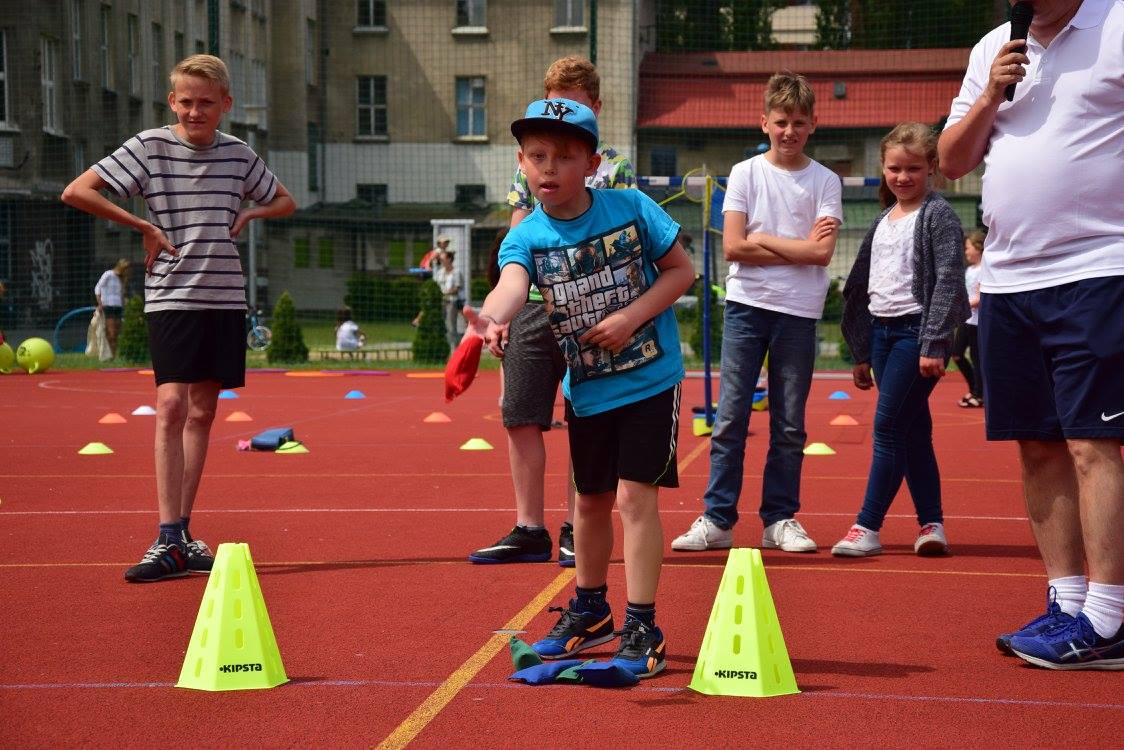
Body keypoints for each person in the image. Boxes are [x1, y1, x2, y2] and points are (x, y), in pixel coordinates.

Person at [469, 98, 694, 677]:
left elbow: (681, 270)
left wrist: (630, 318)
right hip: (589, 389)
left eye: (565, 157)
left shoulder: (631, 207)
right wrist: (491, 318)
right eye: (537, 156)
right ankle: (591, 609)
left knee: (633, 499)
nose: (549, 168)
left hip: (650, 379)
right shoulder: (526, 237)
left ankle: (641, 624)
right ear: (521, 163)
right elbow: (512, 285)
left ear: (592, 164)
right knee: (589, 502)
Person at [61, 54, 295, 582]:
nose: (195, 111)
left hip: (224, 297)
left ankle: (182, 534)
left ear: (225, 104)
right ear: (172, 101)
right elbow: (77, 191)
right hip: (171, 294)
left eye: (206, 102)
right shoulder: (149, 147)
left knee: (203, 412)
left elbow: (285, 201)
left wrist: (251, 212)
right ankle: (166, 535)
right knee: (170, 405)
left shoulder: (239, 154)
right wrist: (142, 226)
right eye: (186, 101)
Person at [939, 0, 1123, 669]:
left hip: (1099, 267)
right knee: (1037, 444)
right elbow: (951, 159)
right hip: (1010, 279)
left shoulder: (1117, 24)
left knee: (1093, 442)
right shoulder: (994, 44)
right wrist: (992, 91)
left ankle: (1109, 616)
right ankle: (1066, 603)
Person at [470, 56, 635, 567]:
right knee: (520, 411)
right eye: (553, 106)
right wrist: (501, 312)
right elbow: (518, 239)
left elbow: (626, 238)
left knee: (585, 414)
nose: (560, 120)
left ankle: (574, 524)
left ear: (596, 109)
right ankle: (529, 527)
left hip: (592, 305)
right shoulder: (531, 165)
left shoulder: (614, 168)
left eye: (575, 108)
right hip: (534, 305)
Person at [671, 72, 842, 554]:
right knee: (729, 419)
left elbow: (821, 254)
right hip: (747, 307)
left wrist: (761, 238)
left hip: (799, 312)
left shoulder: (826, 181)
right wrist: (793, 246)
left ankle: (779, 519)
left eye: (799, 123)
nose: (790, 131)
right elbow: (733, 246)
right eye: (781, 122)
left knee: (789, 424)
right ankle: (717, 519)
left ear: (813, 125)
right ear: (764, 122)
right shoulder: (745, 173)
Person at [831, 122, 969, 557]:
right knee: (913, 433)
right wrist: (860, 350)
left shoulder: (938, 215)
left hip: (915, 333)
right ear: (883, 169)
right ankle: (932, 524)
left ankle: (867, 526)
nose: (903, 177)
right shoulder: (882, 220)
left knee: (888, 428)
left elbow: (948, 278)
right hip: (882, 335)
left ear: (932, 169)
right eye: (894, 168)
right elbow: (862, 284)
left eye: (913, 168)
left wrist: (934, 341)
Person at [950, 230, 985, 408]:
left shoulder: (984, 270)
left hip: (978, 322)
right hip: (967, 319)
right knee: (956, 354)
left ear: (978, 248)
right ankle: (975, 389)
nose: (966, 252)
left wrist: (963, 305)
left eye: (968, 248)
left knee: (977, 358)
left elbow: (980, 299)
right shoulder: (969, 270)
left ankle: (979, 394)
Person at [94, 258, 130, 357]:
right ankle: (111, 354)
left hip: (118, 306)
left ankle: (114, 353)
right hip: (108, 306)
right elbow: (97, 289)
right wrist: (100, 304)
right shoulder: (108, 274)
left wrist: (125, 303)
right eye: (126, 269)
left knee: (117, 331)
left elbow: (121, 294)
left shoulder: (122, 279)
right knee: (111, 331)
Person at [431, 244, 462, 352]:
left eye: (443, 259)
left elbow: (457, 288)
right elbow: (435, 285)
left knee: (451, 327)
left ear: (449, 259)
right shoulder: (439, 272)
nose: (441, 261)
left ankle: (454, 351)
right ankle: (442, 349)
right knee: (440, 325)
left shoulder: (456, 272)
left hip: (451, 302)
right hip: (440, 302)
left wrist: (445, 293)